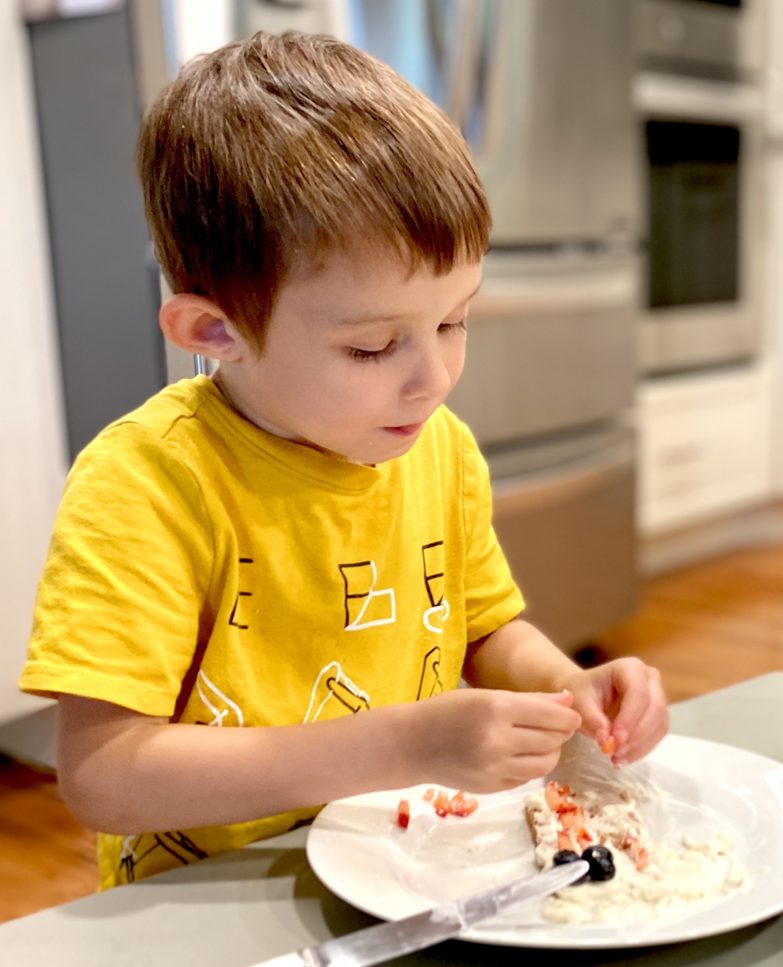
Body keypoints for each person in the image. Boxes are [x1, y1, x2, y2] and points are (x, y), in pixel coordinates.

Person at [19, 30, 668, 888]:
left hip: (411, 869)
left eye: (452, 320)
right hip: (221, 900)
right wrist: (401, 743)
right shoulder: (148, 483)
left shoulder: (438, 449)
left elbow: (482, 629)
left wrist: (564, 690)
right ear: (216, 332)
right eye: (371, 348)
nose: (432, 379)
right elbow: (104, 777)